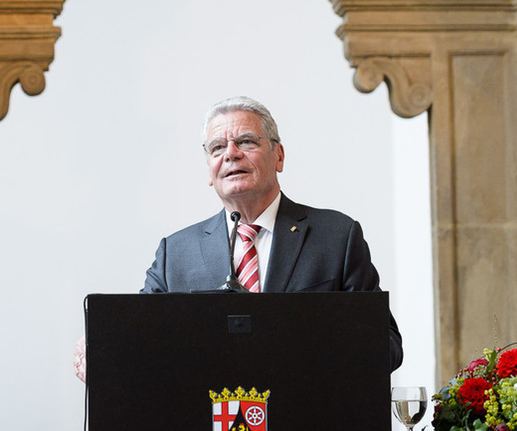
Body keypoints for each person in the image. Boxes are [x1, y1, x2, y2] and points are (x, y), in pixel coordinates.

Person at [74, 96, 403, 381]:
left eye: (246, 142)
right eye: (217, 148)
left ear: (279, 156)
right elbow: (138, 338)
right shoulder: (176, 253)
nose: (230, 154)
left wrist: (308, 347)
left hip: (310, 429)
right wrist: (102, 350)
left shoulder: (336, 237)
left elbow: (386, 345)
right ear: (209, 169)